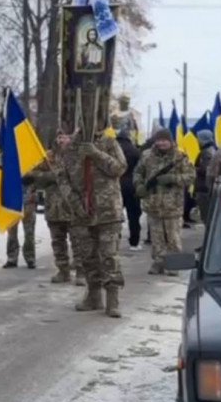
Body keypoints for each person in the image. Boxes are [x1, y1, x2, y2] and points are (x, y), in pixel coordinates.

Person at [64, 129, 127, 317]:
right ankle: (93, 296)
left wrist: (95, 154)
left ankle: (113, 300)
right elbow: (63, 179)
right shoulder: (70, 149)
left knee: (109, 257)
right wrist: (76, 204)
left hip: (108, 211)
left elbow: (119, 168)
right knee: (87, 257)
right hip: (82, 213)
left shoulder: (109, 143)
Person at [134, 128, 196, 275]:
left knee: (173, 237)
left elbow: (190, 176)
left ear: (170, 141)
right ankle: (158, 262)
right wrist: (139, 184)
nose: (161, 143)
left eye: (164, 140)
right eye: (158, 140)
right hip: (153, 203)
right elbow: (138, 172)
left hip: (172, 204)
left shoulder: (180, 157)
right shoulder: (147, 155)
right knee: (156, 237)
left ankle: (174, 265)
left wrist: (173, 179)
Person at [28, 127, 83, 285]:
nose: (61, 140)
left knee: (78, 242)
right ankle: (63, 271)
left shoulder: (78, 156)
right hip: (54, 207)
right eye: (59, 137)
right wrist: (51, 177)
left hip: (73, 207)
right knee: (57, 242)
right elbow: (32, 174)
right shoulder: (48, 156)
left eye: (65, 137)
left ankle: (80, 272)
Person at [116, 124, 142, 251]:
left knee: (115, 215)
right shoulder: (134, 150)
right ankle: (134, 241)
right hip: (132, 186)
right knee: (134, 216)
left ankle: (115, 239)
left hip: (115, 186)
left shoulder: (113, 149)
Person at [4, 183, 36, 269]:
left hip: (28, 201)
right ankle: (12, 258)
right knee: (11, 232)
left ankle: (30, 257)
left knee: (29, 232)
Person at [194, 129, 217, 224]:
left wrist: (193, 169)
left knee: (207, 218)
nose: (197, 141)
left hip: (204, 189)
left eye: (198, 138)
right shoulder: (209, 151)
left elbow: (206, 170)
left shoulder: (207, 153)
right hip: (205, 188)